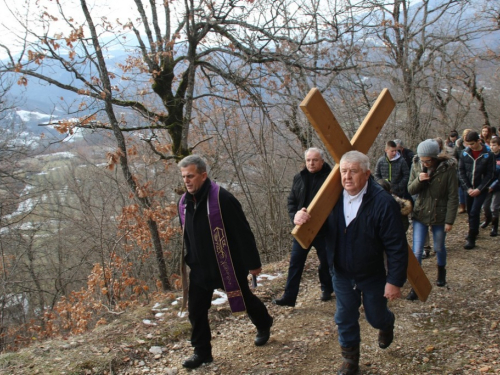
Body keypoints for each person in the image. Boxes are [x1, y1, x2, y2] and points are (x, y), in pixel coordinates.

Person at [295, 151, 408, 375]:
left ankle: (386, 323)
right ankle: (349, 361)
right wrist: (300, 217)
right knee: (345, 317)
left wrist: (394, 281)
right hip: (342, 272)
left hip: (372, 273)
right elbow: (316, 228)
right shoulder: (330, 198)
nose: (347, 177)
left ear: (366, 174)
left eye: (353, 172)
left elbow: (396, 246)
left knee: (374, 316)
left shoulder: (383, 203)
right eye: (343, 171)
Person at [177, 155, 273, 369]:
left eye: (191, 176)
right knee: (196, 311)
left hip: (226, 266)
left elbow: (243, 233)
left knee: (244, 299)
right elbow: (187, 236)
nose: (187, 181)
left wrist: (253, 263)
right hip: (200, 269)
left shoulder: (223, 199)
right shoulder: (183, 203)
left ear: (203, 175)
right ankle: (202, 353)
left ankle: (264, 322)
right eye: (184, 177)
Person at [274, 148, 334, 307]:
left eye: (315, 160)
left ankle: (327, 289)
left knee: (326, 263)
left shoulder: (332, 178)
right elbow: (291, 202)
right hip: (302, 229)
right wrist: (295, 216)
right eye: (308, 160)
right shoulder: (298, 177)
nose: (311, 163)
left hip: (324, 229)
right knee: (295, 262)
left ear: (322, 161)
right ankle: (289, 297)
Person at [405, 140, 458, 300]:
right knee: (417, 250)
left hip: (439, 214)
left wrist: (449, 220)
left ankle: (441, 271)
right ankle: (417, 284)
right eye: (422, 160)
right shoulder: (416, 165)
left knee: (439, 247)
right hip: (420, 212)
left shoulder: (448, 169)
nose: (424, 163)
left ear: (435, 158)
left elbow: (452, 196)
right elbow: (410, 189)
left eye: (428, 160)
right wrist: (419, 180)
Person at [458, 131, 496, 249]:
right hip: (468, 188)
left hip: (481, 188)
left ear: (479, 141)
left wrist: (480, 189)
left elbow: (490, 174)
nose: (470, 146)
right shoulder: (464, 154)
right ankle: (473, 229)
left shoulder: (488, 154)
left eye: (472, 144)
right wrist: (467, 188)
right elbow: (461, 171)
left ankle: (471, 237)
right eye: (468, 144)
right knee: (470, 213)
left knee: (475, 211)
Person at [480, 136, 500, 236]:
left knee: (494, 207)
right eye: (491, 145)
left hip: (497, 186)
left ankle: (494, 226)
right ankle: (487, 219)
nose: (492, 147)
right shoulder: (487, 156)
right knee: (485, 206)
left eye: (494, 145)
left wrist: (493, 185)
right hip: (487, 186)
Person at [454, 129, 472, 214]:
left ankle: (470, 207)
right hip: (460, 168)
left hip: (470, 168)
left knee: (469, 187)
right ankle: (462, 205)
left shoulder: (472, 145)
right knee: (461, 187)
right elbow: (455, 156)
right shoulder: (458, 145)